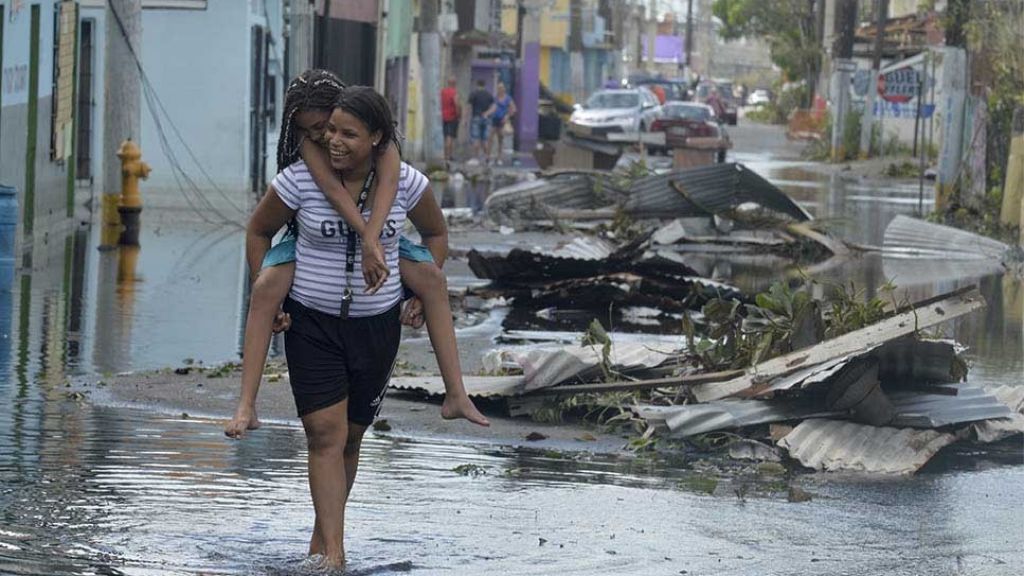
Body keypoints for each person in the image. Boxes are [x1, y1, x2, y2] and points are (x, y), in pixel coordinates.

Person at [245, 85, 457, 569]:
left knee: (350, 438)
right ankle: (335, 556)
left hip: (374, 325)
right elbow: (260, 228)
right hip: (313, 320)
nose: (327, 139)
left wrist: (413, 294)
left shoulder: (397, 172)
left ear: (371, 134)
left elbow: (433, 229)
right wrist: (267, 285)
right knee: (324, 434)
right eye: (317, 132)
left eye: (337, 130)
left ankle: (322, 544)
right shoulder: (304, 170)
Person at [226, 71, 487, 440]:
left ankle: (456, 393)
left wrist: (395, 270)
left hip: (378, 276)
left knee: (432, 278)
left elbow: (399, 189)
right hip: (312, 252)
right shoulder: (310, 152)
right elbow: (332, 192)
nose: (323, 137)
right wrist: (367, 237)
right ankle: (246, 404)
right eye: (310, 130)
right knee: (266, 286)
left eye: (326, 126)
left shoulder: (386, 154)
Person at [484, 81, 516, 165]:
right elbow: (493, 108)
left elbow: (513, 109)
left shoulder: (508, 98)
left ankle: (499, 157)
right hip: (495, 119)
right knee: (490, 138)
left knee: (500, 139)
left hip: (502, 120)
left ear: (504, 89)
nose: (500, 89)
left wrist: (507, 116)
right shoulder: (496, 98)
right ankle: (488, 156)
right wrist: (487, 113)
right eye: (498, 88)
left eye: (501, 88)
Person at [467, 79, 493, 161]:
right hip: (486, 119)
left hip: (476, 117)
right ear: (484, 85)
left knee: (476, 138)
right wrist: (487, 113)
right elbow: (494, 106)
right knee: (485, 139)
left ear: (477, 84)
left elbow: (469, 107)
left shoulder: (473, 94)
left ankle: (476, 158)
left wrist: (465, 119)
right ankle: (487, 157)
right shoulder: (489, 95)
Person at [440, 76, 461, 164]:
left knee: (445, 136)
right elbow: (457, 104)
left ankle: (445, 155)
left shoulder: (442, 92)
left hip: (442, 116)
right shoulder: (454, 92)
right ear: (454, 83)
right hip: (452, 117)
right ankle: (448, 156)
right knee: (450, 136)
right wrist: (459, 114)